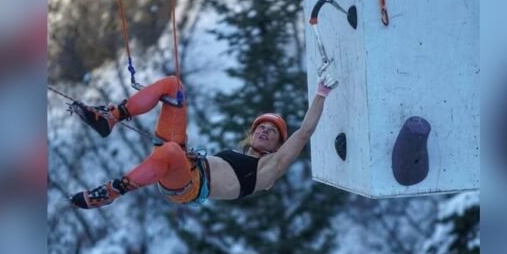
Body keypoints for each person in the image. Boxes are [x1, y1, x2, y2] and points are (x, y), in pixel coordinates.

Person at [68, 70, 338, 209]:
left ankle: (113, 191)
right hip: (184, 162)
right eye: (261, 127)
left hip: (186, 186)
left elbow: (304, 133)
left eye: (272, 132)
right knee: (173, 86)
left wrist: (321, 93)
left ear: (278, 146)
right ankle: (112, 116)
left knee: (171, 151)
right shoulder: (240, 156)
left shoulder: (269, 171)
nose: (265, 130)